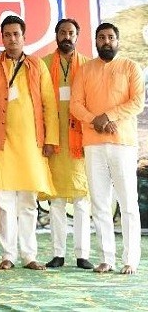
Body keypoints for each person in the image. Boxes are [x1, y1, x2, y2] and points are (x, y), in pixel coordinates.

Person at [0, 16, 58, 271]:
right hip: (1, 142)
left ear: (24, 37)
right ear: (2, 38)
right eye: (7, 35)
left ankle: (29, 256)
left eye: (16, 34)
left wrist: (51, 139)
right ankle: (8, 255)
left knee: (27, 203)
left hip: (30, 144)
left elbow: (49, 105)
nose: (12, 39)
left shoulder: (37, 65)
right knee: (4, 202)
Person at [70, 22, 145, 275]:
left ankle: (130, 260)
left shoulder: (130, 67)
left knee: (128, 203)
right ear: (95, 41)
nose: (106, 41)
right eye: (101, 37)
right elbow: (75, 105)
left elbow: (137, 102)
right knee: (100, 203)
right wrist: (96, 121)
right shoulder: (85, 70)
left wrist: (108, 116)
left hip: (123, 143)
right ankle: (107, 259)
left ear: (117, 41)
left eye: (111, 37)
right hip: (94, 144)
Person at [42, 19, 93, 270]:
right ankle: (58, 254)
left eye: (71, 33)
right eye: (62, 32)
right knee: (57, 201)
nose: (67, 37)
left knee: (82, 199)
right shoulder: (44, 64)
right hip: (54, 140)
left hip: (80, 140)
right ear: (56, 35)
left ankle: (82, 254)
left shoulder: (88, 66)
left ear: (77, 36)